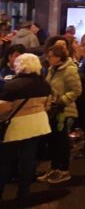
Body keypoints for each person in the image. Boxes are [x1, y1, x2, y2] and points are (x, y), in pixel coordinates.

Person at [0, 53, 52, 201]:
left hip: (15, 127)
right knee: (28, 159)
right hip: (37, 125)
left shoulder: (12, 85)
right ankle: (24, 192)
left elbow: (3, 108)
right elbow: (47, 105)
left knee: (5, 161)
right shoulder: (44, 84)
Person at [41, 44, 81, 184]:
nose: (48, 58)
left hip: (64, 111)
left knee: (62, 142)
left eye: (50, 56)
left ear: (58, 57)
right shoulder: (52, 69)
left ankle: (64, 170)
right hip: (52, 110)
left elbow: (76, 90)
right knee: (53, 141)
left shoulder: (69, 70)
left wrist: (61, 101)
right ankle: (54, 168)